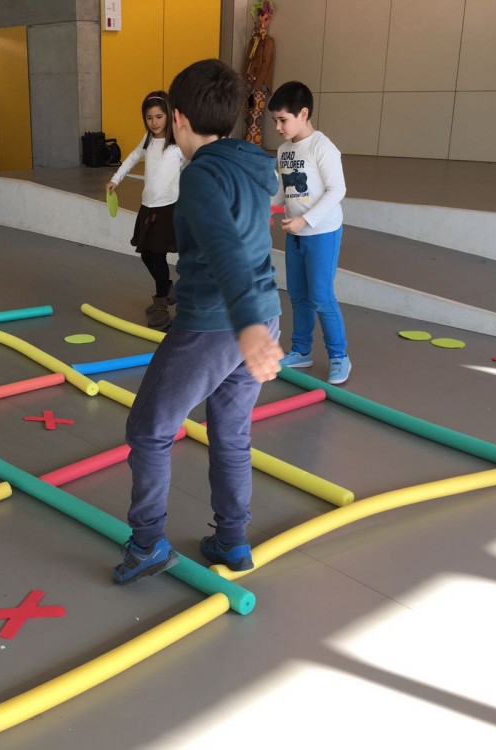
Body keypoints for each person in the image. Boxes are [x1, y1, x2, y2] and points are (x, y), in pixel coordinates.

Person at [112, 59, 284, 585]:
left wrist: (246, 325)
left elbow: (225, 246)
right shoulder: (251, 163)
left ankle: (147, 545)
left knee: (148, 431)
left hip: (220, 323)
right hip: (263, 313)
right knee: (230, 433)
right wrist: (255, 322)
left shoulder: (202, 175)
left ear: (179, 118)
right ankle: (231, 540)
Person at [269, 81, 351, 384]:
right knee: (298, 295)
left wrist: (306, 220)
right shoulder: (284, 150)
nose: (278, 127)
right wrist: (266, 207)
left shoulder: (322, 147)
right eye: (275, 121)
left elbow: (337, 190)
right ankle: (301, 350)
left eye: (283, 120)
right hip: (296, 235)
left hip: (322, 232)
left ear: (303, 114)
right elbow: (283, 190)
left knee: (321, 296)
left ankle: (339, 355)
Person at [106, 91, 186, 330]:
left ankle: (161, 306)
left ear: (169, 115)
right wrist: (115, 179)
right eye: (149, 118)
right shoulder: (148, 139)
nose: (154, 122)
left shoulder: (178, 143)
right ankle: (168, 290)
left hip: (168, 208)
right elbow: (133, 157)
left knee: (157, 255)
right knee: (146, 254)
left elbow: (195, 164)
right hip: (148, 206)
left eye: (159, 117)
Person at [243, 0, 275, 146]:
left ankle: (253, 145)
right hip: (250, 80)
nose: (261, 20)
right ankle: (248, 143)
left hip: (260, 83)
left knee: (256, 116)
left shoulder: (267, 42)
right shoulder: (254, 40)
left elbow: (266, 64)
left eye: (265, 17)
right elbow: (248, 59)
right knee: (249, 115)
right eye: (259, 16)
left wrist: (257, 85)